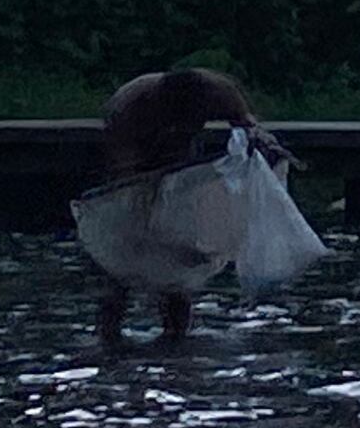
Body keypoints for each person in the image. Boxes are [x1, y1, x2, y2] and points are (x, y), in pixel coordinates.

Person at [83, 66, 286, 345]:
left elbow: (246, 122)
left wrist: (257, 141)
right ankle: (110, 334)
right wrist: (145, 185)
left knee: (178, 255)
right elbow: (123, 163)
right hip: (136, 167)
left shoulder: (218, 91)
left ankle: (176, 335)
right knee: (119, 262)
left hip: (179, 164)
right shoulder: (129, 105)